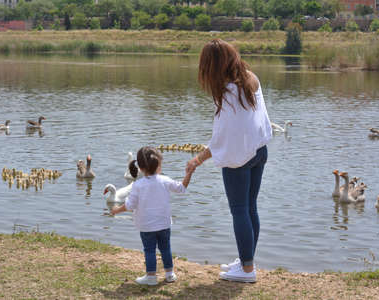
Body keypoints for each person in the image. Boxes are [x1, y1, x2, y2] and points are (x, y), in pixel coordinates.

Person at [186, 39, 272, 283]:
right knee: (250, 208)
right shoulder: (250, 79)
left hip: (240, 159)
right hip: (259, 152)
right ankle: (247, 261)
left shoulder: (229, 94)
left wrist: (196, 160)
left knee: (239, 211)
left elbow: (221, 140)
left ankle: (247, 270)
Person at [112, 146, 195, 285]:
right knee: (165, 248)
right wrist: (189, 173)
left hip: (146, 226)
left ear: (141, 168)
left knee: (149, 250)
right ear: (158, 165)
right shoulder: (165, 180)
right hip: (164, 224)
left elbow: (129, 206)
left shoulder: (137, 185)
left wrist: (116, 210)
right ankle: (170, 274)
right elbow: (181, 188)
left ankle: (151, 276)